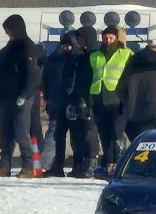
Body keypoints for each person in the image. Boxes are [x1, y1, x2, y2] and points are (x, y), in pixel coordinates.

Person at [0, 14, 42, 178]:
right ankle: (4, 164)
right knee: (5, 132)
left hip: (22, 96)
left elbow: (32, 74)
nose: (7, 34)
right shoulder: (9, 47)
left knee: (22, 132)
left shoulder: (27, 46)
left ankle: (28, 165)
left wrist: (25, 93)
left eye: (8, 30)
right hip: (7, 96)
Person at [85, 26, 133, 174]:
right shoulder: (95, 55)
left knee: (117, 134)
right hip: (99, 99)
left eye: (111, 37)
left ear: (116, 38)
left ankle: (119, 164)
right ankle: (108, 164)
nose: (107, 40)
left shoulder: (126, 54)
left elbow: (130, 77)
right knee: (104, 134)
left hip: (117, 100)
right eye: (105, 37)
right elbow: (87, 77)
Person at [68, 27, 104, 179]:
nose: (78, 41)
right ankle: (82, 162)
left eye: (81, 38)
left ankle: (92, 162)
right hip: (81, 98)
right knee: (81, 132)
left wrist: (87, 100)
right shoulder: (83, 55)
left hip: (92, 98)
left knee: (91, 131)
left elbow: (92, 79)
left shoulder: (94, 55)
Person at [43, 32, 78, 177]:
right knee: (72, 136)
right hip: (68, 102)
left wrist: (47, 98)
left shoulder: (52, 59)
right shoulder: (77, 58)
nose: (66, 47)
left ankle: (51, 164)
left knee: (56, 135)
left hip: (57, 102)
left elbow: (45, 82)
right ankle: (76, 165)